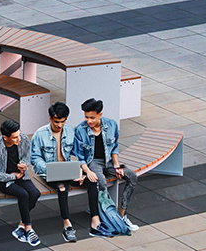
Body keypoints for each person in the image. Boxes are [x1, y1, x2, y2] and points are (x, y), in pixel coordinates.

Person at [74, 98, 139, 237]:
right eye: (86, 117)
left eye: (92, 117)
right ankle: (109, 218)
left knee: (132, 176)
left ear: (100, 114)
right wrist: (88, 172)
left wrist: (116, 166)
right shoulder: (80, 130)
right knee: (100, 182)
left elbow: (114, 147)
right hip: (93, 162)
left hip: (109, 160)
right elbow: (80, 157)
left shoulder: (111, 125)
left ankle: (121, 215)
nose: (88, 121)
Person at [31, 101, 81, 243]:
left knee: (92, 180)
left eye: (63, 122)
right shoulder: (40, 134)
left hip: (67, 169)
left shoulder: (70, 131)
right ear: (50, 118)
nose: (60, 125)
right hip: (49, 172)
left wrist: (80, 171)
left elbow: (78, 153)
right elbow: (35, 158)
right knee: (62, 187)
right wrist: (49, 168)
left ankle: (98, 219)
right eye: (57, 122)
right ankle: (67, 226)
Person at [0, 120, 41, 247]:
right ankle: (29, 228)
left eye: (19, 135)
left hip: (21, 176)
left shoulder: (23, 138)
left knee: (35, 193)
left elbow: (27, 157)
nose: (19, 139)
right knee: (23, 194)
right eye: (15, 137)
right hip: (2, 180)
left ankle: (21, 226)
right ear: (5, 137)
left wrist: (24, 165)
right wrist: (12, 176)